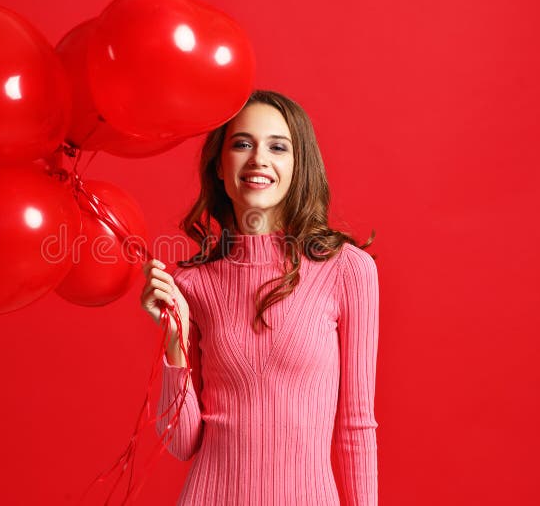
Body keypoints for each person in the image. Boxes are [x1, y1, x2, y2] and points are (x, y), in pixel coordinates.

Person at [140, 90, 379, 505]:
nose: (258, 160)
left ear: (298, 165)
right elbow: (182, 443)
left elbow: (356, 425)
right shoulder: (191, 284)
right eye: (242, 143)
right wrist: (174, 338)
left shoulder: (347, 270)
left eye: (277, 147)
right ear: (219, 164)